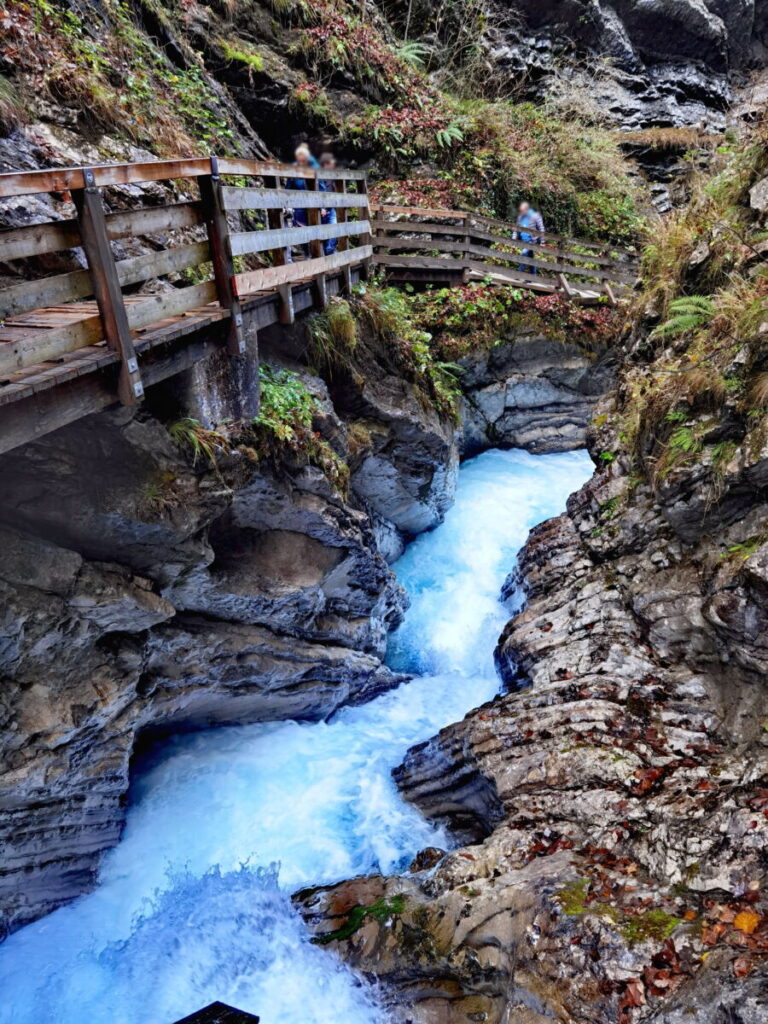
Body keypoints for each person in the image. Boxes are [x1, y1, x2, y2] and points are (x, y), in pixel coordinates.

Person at [285, 143, 319, 262]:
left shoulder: (313, 167)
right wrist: (287, 202)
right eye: (299, 160)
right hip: (299, 205)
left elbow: (321, 186)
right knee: (302, 229)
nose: (301, 162)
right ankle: (307, 253)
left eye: (303, 159)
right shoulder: (294, 170)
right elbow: (288, 188)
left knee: (315, 227)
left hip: (312, 204)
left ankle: (317, 253)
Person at [514, 201, 545, 275]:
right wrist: (513, 239)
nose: (521, 212)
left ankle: (518, 273)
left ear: (526, 209)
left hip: (532, 241)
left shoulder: (535, 216)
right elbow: (516, 228)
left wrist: (542, 241)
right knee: (530, 258)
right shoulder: (520, 217)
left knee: (524, 253)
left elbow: (541, 228)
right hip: (524, 241)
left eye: (522, 211)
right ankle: (533, 276)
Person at [318, 152, 338, 256]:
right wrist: (322, 207)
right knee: (324, 230)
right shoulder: (319, 175)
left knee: (334, 228)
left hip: (331, 207)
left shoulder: (333, 175)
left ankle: (329, 251)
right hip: (322, 209)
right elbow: (318, 192)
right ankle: (325, 252)